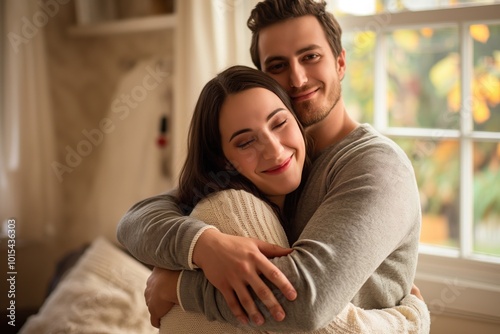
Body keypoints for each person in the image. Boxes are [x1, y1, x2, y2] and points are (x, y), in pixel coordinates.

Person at [117, 0, 425, 332]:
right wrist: (204, 245)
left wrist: (177, 288)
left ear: (340, 62)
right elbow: (135, 221)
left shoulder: (376, 166)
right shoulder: (275, 162)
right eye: (277, 65)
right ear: (265, 80)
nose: (297, 78)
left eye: (310, 56)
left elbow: (304, 302)